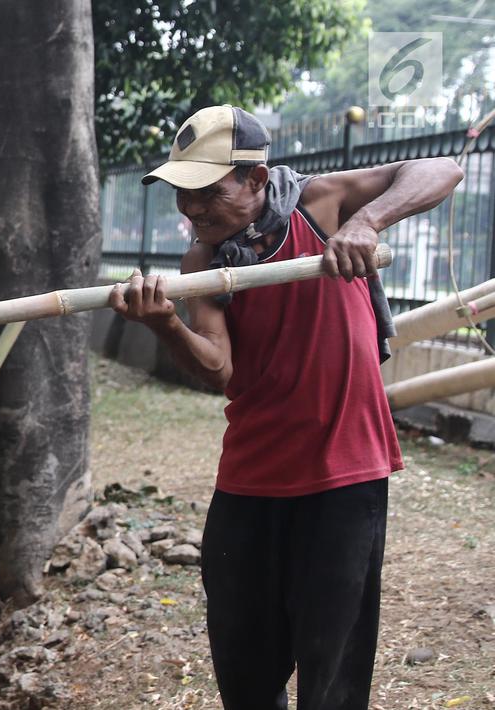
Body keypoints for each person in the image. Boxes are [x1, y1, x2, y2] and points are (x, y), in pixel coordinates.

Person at [108, 105, 463, 709]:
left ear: (254, 178)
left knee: (332, 678)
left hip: (345, 479)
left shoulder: (322, 206)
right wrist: (166, 324)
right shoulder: (204, 262)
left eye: (206, 192)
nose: (190, 210)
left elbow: (444, 167)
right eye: (181, 194)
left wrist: (368, 222)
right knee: (246, 672)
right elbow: (221, 370)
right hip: (250, 482)